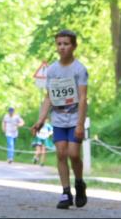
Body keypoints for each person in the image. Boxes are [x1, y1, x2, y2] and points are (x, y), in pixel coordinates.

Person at [31, 29, 89, 209]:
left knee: (73, 154)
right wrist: (41, 119)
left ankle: (79, 183)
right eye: (59, 44)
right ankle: (65, 192)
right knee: (61, 153)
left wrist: (80, 123)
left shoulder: (79, 69)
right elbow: (49, 97)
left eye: (66, 44)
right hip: (58, 118)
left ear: (74, 46)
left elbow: (83, 97)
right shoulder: (53, 70)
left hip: (74, 118)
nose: (62, 47)